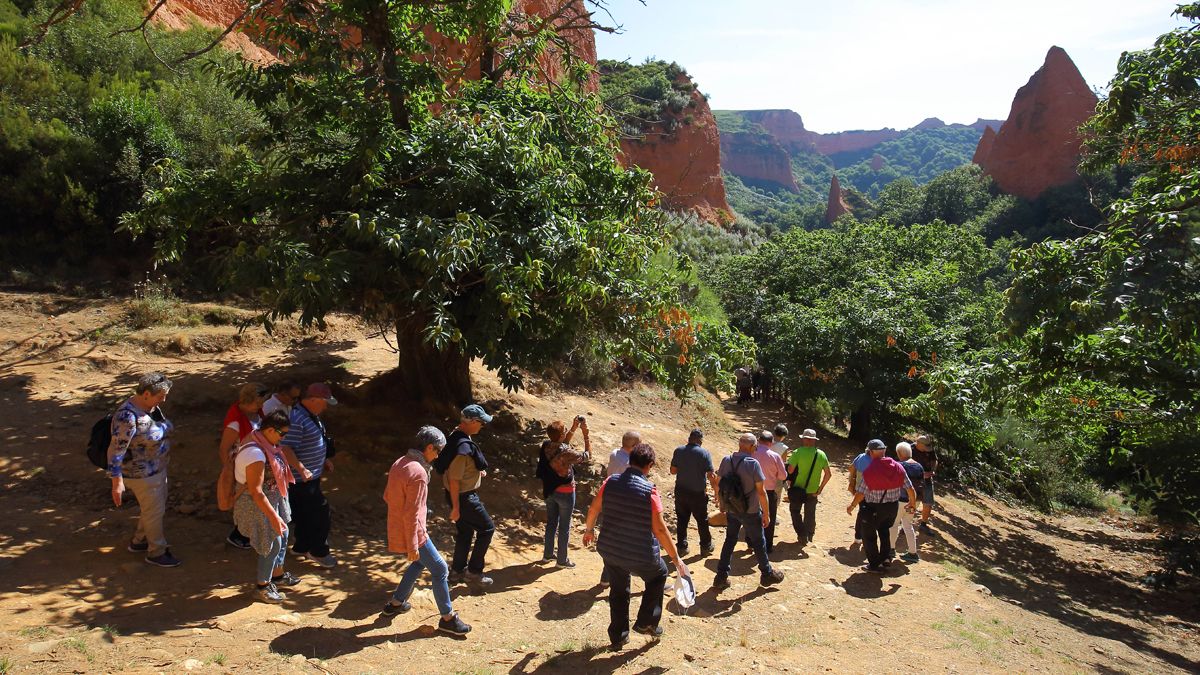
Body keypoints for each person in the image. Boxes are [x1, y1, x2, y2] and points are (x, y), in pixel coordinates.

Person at [583, 443, 689, 650]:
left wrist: (589, 530)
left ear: (630, 461)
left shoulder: (610, 481)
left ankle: (618, 635)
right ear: (649, 466)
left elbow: (594, 508)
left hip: (610, 548)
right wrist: (676, 558)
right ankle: (646, 622)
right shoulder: (650, 491)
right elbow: (659, 529)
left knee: (619, 590)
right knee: (659, 574)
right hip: (639, 552)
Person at [381, 426, 472, 636]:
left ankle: (395, 603)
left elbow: (388, 496)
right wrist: (413, 544)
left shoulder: (399, 463)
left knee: (420, 562)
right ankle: (448, 618)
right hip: (414, 531)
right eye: (438, 451)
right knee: (440, 569)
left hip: (398, 525)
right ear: (429, 447)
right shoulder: (419, 473)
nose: (438, 455)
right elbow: (412, 514)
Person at [108, 373, 179, 568]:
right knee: (154, 513)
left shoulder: (150, 408)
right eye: (160, 395)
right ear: (146, 394)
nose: (163, 399)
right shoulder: (127, 417)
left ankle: (140, 541)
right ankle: (157, 552)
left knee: (153, 511)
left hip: (155, 470)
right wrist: (117, 481)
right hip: (142, 475)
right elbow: (116, 449)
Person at [231, 410, 299, 603]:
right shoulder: (256, 453)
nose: (283, 438)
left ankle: (277, 575)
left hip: (273, 498)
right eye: (282, 434)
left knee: (283, 535)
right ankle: (262, 587)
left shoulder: (264, 441)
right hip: (256, 504)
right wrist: (273, 517)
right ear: (270, 430)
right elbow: (256, 491)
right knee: (271, 543)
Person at [713, 433, 785, 590]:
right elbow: (761, 492)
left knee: (730, 540)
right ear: (752, 447)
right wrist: (766, 514)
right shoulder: (753, 464)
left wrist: (721, 503)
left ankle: (721, 576)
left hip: (732, 509)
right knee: (759, 542)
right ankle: (766, 574)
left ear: (740, 445)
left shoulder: (727, 460)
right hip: (750, 511)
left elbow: (718, 483)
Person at [281, 383, 338, 569]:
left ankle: (302, 546)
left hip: (309, 477)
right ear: (313, 400)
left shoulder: (310, 415)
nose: (326, 406)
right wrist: (301, 468)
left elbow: (311, 441)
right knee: (321, 513)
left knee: (305, 514)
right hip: (301, 480)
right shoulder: (297, 418)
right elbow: (286, 447)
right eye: (324, 402)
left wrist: (323, 460)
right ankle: (318, 551)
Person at [441, 404, 496, 587]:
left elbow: (457, 470)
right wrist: (456, 507)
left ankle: (457, 571)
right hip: (464, 497)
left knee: (465, 532)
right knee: (487, 529)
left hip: (457, 495)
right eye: (480, 422)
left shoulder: (456, 436)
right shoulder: (462, 450)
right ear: (472, 422)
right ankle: (473, 572)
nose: (482, 426)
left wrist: (475, 471)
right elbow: (455, 479)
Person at [846, 439, 916, 572]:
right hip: (891, 508)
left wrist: (852, 505)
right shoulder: (898, 467)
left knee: (869, 535)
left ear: (871, 452)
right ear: (884, 450)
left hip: (873, 507)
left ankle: (874, 565)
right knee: (884, 532)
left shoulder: (870, 470)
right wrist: (912, 503)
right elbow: (910, 488)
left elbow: (861, 493)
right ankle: (885, 559)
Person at [535, 417, 591, 568]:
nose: (566, 433)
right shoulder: (566, 452)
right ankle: (562, 560)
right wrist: (586, 435)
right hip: (565, 492)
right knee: (564, 526)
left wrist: (573, 428)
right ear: (560, 435)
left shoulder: (546, 445)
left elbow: (562, 444)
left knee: (552, 523)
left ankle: (547, 555)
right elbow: (587, 455)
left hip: (550, 490)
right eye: (564, 431)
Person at [220, 383, 268, 550]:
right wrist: (229, 472)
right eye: (257, 403)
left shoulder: (256, 414)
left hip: (255, 462)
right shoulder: (235, 423)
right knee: (244, 501)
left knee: (253, 500)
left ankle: (249, 532)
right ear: (246, 401)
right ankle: (239, 535)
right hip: (241, 467)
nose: (261, 406)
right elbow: (224, 449)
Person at [670, 429, 719, 556]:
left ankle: (682, 547)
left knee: (682, 519)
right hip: (697, 493)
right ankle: (706, 547)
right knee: (702, 520)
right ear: (700, 440)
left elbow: (673, 471)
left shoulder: (678, 450)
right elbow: (710, 475)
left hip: (681, 491)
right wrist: (716, 492)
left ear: (689, 438)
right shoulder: (704, 453)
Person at [784, 428, 831, 549]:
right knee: (810, 513)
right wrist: (820, 489)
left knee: (795, 511)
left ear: (804, 439)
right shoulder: (821, 454)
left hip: (797, 489)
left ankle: (801, 534)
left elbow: (790, 470)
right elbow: (828, 474)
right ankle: (809, 534)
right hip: (813, 490)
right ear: (814, 441)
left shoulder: (797, 452)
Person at [752, 430, 787, 554]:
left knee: (751, 517)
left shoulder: (752, 453)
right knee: (769, 519)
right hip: (769, 491)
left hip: (752, 491)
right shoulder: (775, 456)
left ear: (759, 440)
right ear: (771, 443)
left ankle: (751, 543)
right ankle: (767, 547)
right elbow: (783, 476)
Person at [890, 442, 925, 563]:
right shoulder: (919, 466)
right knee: (908, 525)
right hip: (915, 501)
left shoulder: (898, 465)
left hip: (901, 500)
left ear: (899, 453)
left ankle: (891, 549)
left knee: (894, 524)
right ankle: (912, 552)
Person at [847, 444, 874, 546]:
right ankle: (868, 538)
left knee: (862, 513)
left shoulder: (861, 456)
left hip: (859, 490)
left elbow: (851, 468)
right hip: (874, 492)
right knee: (872, 514)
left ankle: (858, 537)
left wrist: (853, 481)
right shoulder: (878, 462)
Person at [912, 435, 939, 533]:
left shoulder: (929, 449)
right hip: (914, 480)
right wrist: (921, 474)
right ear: (918, 443)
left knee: (928, 503)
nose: (927, 450)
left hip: (927, 480)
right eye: (925, 447)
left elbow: (934, 460)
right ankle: (906, 524)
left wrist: (933, 470)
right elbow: (904, 464)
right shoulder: (910, 449)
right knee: (912, 501)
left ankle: (923, 524)